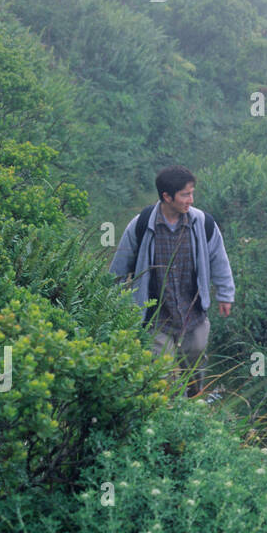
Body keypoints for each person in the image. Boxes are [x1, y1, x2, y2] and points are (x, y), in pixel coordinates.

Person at [110, 166, 235, 398]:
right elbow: (120, 265)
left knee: (195, 360)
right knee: (162, 372)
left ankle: (195, 402)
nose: (191, 199)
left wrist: (225, 295)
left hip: (193, 311)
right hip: (156, 314)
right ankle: (168, 411)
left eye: (192, 193)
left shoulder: (202, 223)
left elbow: (219, 259)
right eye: (185, 194)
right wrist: (109, 302)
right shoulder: (142, 224)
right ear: (167, 197)